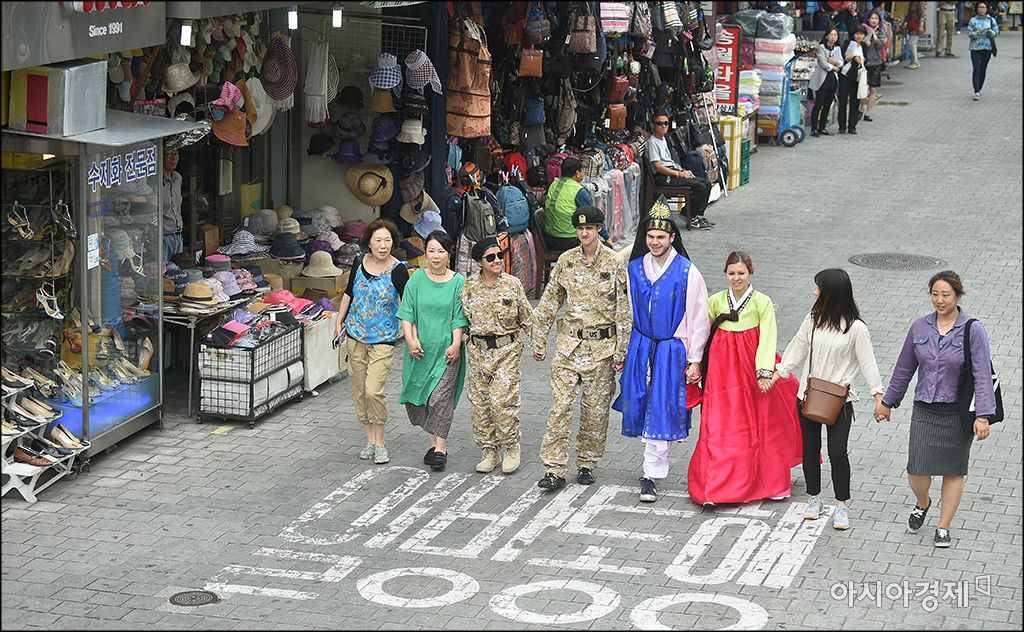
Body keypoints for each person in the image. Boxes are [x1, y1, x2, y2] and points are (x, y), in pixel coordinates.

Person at [876, 271, 996, 549]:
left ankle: (943, 527)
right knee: (917, 470)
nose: (940, 300)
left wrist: (983, 415)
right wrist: (888, 402)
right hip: (925, 409)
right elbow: (904, 368)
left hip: (957, 413)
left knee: (954, 471)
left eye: (946, 295)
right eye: (935, 294)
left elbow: (982, 374)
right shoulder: (919, 327)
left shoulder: (972, 329)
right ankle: (923, 502)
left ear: (958, 295)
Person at [772, 268, 885, 531]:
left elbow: (869, 364)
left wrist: (878, 397)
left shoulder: (856, 329)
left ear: (831, 292)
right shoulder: (812, 319)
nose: (814, 292)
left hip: (839, 401)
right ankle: (814, 499)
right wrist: (777, 376)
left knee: (837, 452)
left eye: (818, 287)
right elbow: (796, 349)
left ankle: (841, 505)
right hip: (808, 397)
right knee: (810, 451)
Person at [613, 196, 708, 503]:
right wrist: (623, 349)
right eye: (650, 237)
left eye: (660, 237)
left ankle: (650, 473)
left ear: (672, 238)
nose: (654, 242)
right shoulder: (635, 269)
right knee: (641, 402)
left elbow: (698, 317)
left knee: (663, 407)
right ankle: (651, 466)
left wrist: (695, 359)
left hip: (670, 349)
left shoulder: (687, 272)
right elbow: (626, 309)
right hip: (641, 346)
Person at [689, 251, 801, 507]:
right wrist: (694, 361)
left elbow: (768, 338)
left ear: (751, 273)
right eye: (731, 273)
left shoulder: (762, 302)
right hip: (722, 370)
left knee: (762, 422)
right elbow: (700, 332)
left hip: (751, 369)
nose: (736, 278)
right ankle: (714, 487)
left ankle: (770, 482)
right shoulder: (716, 301)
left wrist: (763, 372)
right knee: (719, 424)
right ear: (725, 274)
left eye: (741, 273)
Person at [531, 206, 631, 490]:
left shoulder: (614, 263)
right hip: (569, 347)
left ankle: (587, 462)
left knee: (595, 411)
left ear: (598, 229)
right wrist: (539, 340)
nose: (584, 233)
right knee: (560, 406)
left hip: (602, 348)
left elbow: (623, 310)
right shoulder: (566, 261)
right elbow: (550, 301)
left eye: (589, 228)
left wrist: (621, 350)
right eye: (580, 228)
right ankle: (554, 468)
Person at [335, 218, 409, 465]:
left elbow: (408, 305)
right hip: (355, 335)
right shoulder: (358, 261)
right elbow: (349, 292)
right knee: (359, 391)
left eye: (387, 240)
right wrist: (339, 321)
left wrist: (411, 335)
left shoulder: (398, 270)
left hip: (383, 340)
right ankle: (369, 441)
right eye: (378, 240)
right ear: (369, 241)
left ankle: (381, 443)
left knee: (373, 390)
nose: (383, 245)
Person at [460, 236, 533, 475]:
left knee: (502, 401)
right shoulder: (469, 286)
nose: (497, 260)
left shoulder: (512, 285)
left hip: (507, 350)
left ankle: (511, 446)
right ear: (479, 262)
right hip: (478, 352)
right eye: (490, 257)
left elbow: (527, 318)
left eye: (499, 255)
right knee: (480, 405)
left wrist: (538, 346)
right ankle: (489, 450)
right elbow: (462, 321)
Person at [397, 230, 469, 472]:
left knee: (439, 399)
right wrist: (409, 339)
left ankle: (441, 448)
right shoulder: (416, 279)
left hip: (446, 350)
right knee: (419, 399)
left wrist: (456, 343)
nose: (436, 256)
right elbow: (407, 312)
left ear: (449, 254)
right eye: (431, 251)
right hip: (419, 350)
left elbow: (459, 317)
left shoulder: (459, 282)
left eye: (441, 251)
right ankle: (433, 445)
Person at [646, 112, 714, 230]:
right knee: (699, 186)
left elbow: (670, 161)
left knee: (706, 183)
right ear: (653, 125)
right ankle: (688, 215)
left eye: (666, 123)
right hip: (664, 177)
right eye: (660, 123)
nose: (663, 126)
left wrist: (683, 171)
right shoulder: (652, 142)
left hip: (673, 171)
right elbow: (658, 166)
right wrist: (678, 174)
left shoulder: (664, 139)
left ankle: (695, 215)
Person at [542, 157, 594, 252]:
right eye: (582, 171)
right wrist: (606, 237)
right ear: (577, 173)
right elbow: (590, 217)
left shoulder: (554, 184)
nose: (584, 173)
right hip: (568, 240)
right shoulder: (578, 190)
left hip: (548, 238)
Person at [810, 27, 843, 137]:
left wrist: (835, 62)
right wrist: (834, 67)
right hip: (822, 79)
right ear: (827, 36)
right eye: (831, 35)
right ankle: (814, 128)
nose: (833, 37)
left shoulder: (837, 49)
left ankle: (822, 127)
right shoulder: (821, 48)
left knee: (828, 104)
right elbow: (823, 63)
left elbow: (841, 63)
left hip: (832, 80)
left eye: (835, 35)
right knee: (818, 104)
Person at [837, 25, 867, 135]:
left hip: (857, 77)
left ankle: (852, 126)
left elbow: (866, 60)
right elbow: (843, 57)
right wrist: (854, 57)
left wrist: (862, 60)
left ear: (864, 36)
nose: (859, 36)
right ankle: (841, 126)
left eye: (861, 34)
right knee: (843, 101)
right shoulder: (848, 43)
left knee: (855, 101)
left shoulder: (864, 46)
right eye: (857, 34)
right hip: (845, 75)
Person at [967, 1, 999, 100]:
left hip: (987, 48)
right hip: (975, 48)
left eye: (983, 7)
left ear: (986, 9)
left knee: (983, 69)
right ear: (977, 9)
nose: (981, 9)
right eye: (980, 7)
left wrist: (990, 32)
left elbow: (996, 32)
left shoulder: (991, 20)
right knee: (976, 69)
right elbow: (969, 33)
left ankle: (979, 88)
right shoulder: (973, 20)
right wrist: (977, 33)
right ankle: (976, 90)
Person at [860, 10, 887, 123]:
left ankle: (868, 112)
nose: (874, 20)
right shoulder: (863, 30)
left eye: (876, 19)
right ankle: (861, 108)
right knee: (862, 88)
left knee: (873, 89)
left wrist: (874, 35)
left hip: (876, 63)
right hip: (864, 62)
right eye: (872, 18)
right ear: (868, 19)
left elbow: (880, 46)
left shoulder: (881, 32)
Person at [162, 149, 184, 263]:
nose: (173, 158)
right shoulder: (155, 180)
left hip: (177, 235)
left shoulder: (177, 178)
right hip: (163, 238)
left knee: (178, 274)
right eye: (169, 154)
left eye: (176, 154)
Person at [905, 2, 925, 69]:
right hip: (912, 25)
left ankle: (915, 62)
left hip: (916, 25)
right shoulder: (912, 3)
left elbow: (922, 16)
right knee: (911, 44)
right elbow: (908, 15)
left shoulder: (919, 3)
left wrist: (921, 26)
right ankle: (912, 61)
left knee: (912, 43)